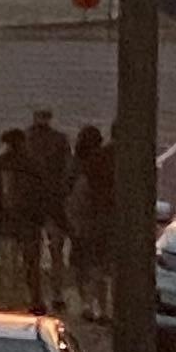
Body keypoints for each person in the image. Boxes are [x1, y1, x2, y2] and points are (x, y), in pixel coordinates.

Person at [19, 105, 74, 317]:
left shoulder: (25, 139)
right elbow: (67, 169)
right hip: (51, 201)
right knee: (55, 250)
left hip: (36, 202)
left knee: (36, 252)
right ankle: (55, 294)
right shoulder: (58, 140)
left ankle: (38, 295)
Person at [64, 122, 115, 331]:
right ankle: (102, 307)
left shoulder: (81, 165)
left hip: (85, 222)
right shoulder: (107, 161)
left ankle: (87, 302)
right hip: (105, 222)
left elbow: (72, 195)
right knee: (102, 267)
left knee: (85, 265)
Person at [0, 125, 38, 306]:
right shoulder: (31, 162)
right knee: (29, 261)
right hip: (27, 218)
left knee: (9, 259)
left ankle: (9, 296)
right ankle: (27, 296)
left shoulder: (2, 162)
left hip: (6, 217)